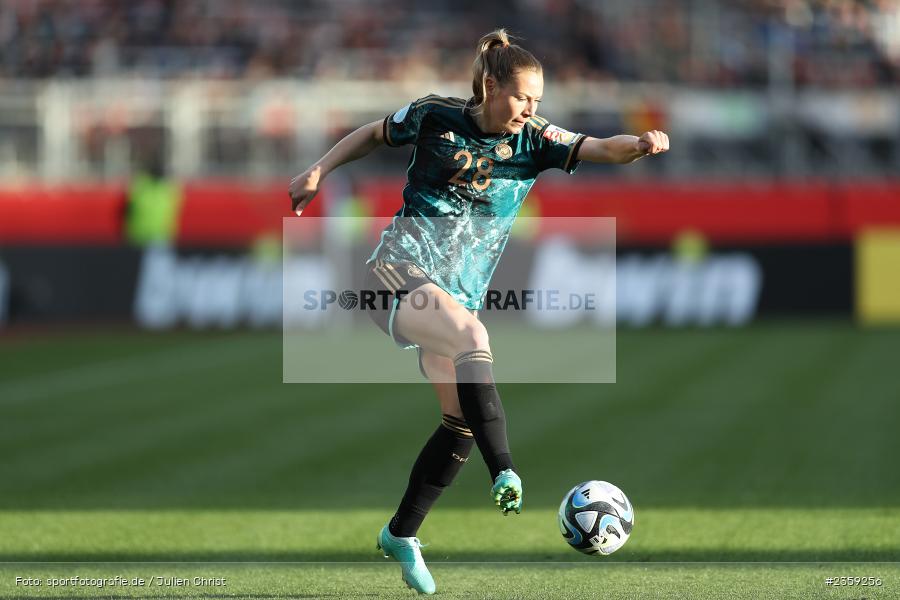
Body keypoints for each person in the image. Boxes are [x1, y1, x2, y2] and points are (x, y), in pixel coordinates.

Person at [289, 29, 669, 595]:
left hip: (454, 294)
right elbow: (373, 133)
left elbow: (598, 147)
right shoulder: (434, 115)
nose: (530, 110)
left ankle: (401, 534)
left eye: (537, 101)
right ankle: (506, 469)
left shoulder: (536, 140)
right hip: (395, 271)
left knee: (459, 423)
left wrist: (637, 145)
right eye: (521, 98)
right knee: (472, 335)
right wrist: (318, 171)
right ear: (491, 86)